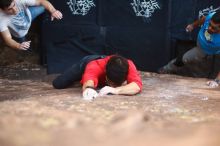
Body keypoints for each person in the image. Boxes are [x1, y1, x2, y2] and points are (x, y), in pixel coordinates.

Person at [159, 11, 220, 88]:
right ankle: (166, 69)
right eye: (209, 25)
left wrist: (217, 81)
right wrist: (193, 25)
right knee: (182, 59)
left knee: (202, 77)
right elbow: (203, 19)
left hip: (209, 52)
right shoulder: (211, 16)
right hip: (201, 47)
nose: (209, 28)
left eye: (214, 28)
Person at [52, 55, 142, 100]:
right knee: (58, 83)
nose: (113, 86)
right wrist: (88, 89)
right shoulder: (95, 66)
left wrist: (116, 90)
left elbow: (137, 86)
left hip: (108, 62)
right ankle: (79, 77)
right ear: (105, 73)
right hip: (87, 63)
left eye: (117, 84)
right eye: (111, 83)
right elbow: (89, 82)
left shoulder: (128, 65)